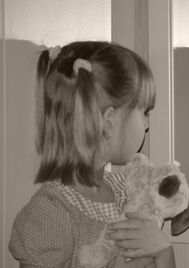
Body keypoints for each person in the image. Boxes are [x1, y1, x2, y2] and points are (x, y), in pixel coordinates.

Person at [9, 41, 175, 268]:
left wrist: (164, 251)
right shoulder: (51, 213)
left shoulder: (127, 191)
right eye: (144, 111)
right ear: (108, 122)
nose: (147, 123)